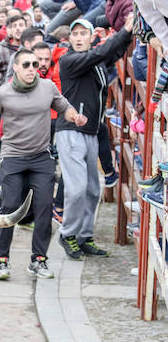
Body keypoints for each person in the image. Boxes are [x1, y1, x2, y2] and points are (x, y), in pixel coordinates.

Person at [0, 48, 87, 280]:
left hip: (41, 157)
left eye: (35, 64)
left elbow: (64, 107)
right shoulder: (3, 93)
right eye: (26, 65)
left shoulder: (47, 87)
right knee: (10, 205)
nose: (32, 69)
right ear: (15, 67)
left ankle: (39, 260)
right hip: (13, 157)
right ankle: (2, 260)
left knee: (44, 207)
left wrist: (75, 117)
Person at [54, 16, 133, 260]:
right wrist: (125, 29)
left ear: (91, 37)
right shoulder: (70, 60)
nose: (78, 39)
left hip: (90, 132)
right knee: (76, 189)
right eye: (74, 35)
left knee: (91, 190)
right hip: (70, 130)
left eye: (83, 34)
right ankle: (67, 234)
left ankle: (84, 237)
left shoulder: (96, 62)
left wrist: (130, 31)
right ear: (69, 39)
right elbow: (101, 53)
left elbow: (113, 52)